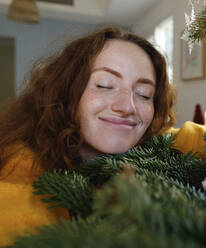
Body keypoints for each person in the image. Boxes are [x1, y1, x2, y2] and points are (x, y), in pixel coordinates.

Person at [0, 26, 179, 246]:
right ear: (66, 91)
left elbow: (180, 136)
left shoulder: (145, 151)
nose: (128, 106)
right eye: (105, 85)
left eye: (144, 94)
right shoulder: (19, 169)